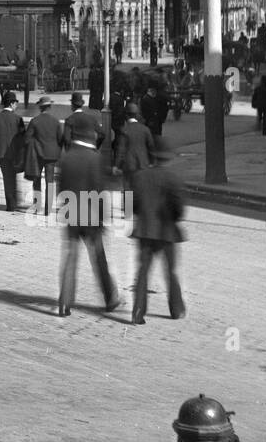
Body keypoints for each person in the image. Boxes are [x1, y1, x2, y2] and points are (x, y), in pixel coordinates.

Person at [55, 119, 121, 317]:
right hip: (92, 218)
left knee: (70, 256)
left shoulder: (65, 158)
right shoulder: (95, 159)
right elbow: (100, 191)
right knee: (99, 258)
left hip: (71, 215)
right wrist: (103, 219)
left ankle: (65, 301)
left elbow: (61, 189)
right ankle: (110, 298)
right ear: (89, 135)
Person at [125, 140, 186, 324]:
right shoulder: (173, 179)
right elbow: (179, 209)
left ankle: (137, 312)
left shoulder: (139, 176)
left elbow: (131, 205)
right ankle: (176, 309)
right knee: (171, 271)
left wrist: (143, 215)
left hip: (144, 231)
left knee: (143, 271)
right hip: (167, 231)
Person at [0, 91, 26, 211]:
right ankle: (14, 203)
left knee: (7, 178)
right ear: (12, 103)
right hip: (15, 153)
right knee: (13, 177)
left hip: (2, 153)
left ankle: (10, 204)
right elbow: (23, 137)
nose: (16, 106)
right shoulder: (18, 119)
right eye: (16, 103)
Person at [24, 96, 62, 215]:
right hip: (52, 155)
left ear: (40, 107)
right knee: (50, 181)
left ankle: (36, 206)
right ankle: (48, 209)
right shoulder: (55, 121)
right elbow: (60, 139)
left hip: (38, 155)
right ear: (49, 107)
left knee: (36, 180)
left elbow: (27, 139)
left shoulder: (35, 121)